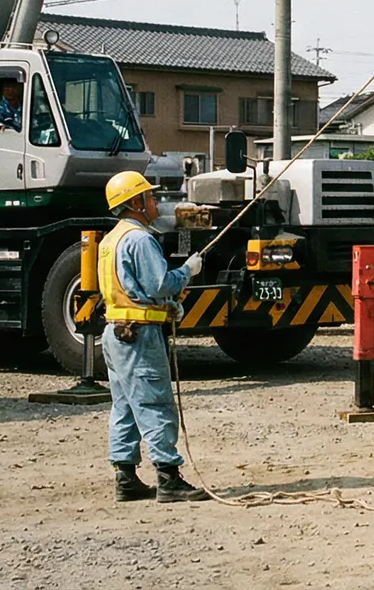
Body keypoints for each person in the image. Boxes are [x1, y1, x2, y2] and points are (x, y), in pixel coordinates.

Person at [97, 169, 209, 503]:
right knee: (154, 402)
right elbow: (159, 283)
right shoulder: (139, 239)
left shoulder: (110, 240)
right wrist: (186, 272)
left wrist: (166, 308)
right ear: (135, 202)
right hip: (138, 337)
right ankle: (168, 478)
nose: (155, 201)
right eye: (149, 196)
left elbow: (130, 290)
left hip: (116, 333)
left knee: (125, 406)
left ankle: (126, 477)